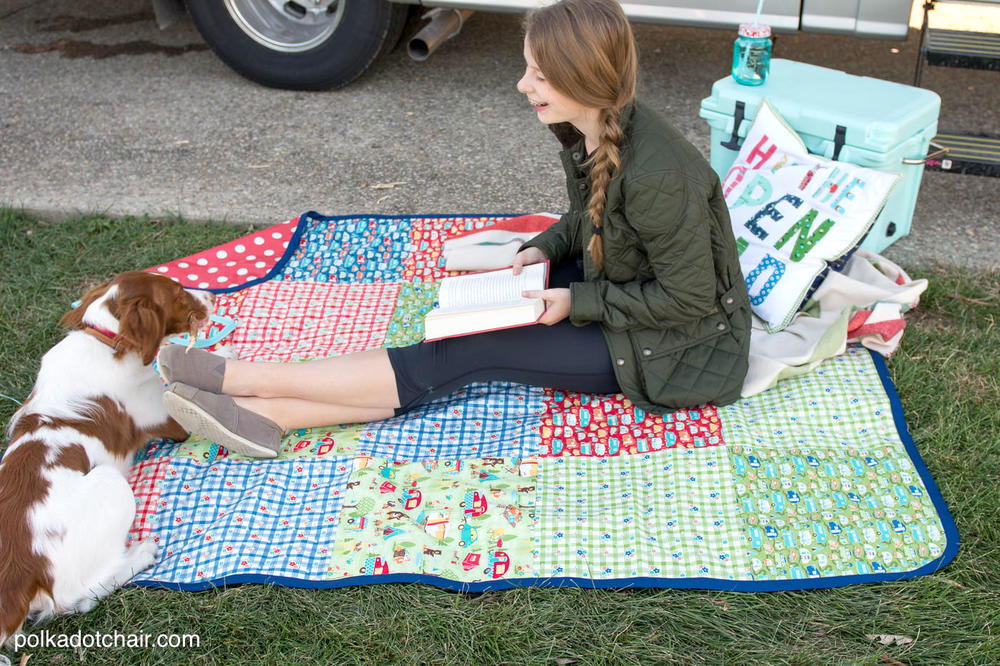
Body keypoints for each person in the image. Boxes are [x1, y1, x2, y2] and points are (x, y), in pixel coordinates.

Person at [160, 0, 751, 459]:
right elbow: (593, 218)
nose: (523, 85)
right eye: (528, 69)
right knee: (467, 324)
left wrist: (577, 300)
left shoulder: (658, 174)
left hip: (673, 348)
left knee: (472, 348)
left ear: (584, 77)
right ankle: (272, 415)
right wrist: (543, 247)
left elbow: (690, 298)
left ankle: (252, 381)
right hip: (623, 292)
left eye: (539, 75)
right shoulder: (595, 127)